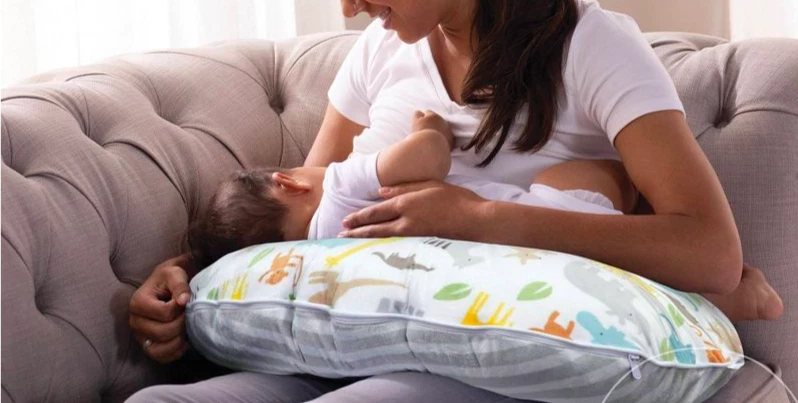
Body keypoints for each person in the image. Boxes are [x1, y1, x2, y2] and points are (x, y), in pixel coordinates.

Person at [127, 0, 783, 401]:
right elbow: (298, 202)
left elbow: (712, 252)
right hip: (340, 340)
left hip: (475, 359)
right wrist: (186, 271)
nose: (346, 6)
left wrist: (478, 215)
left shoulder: (592, 48)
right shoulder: (381, 52)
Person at [187, 109, 631, 269]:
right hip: (551, 215)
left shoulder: (322, 254)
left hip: (525, 257)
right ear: (289, 182)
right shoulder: (340, 185)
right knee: (602, 173)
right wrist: (431, 130)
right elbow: (426, 162)